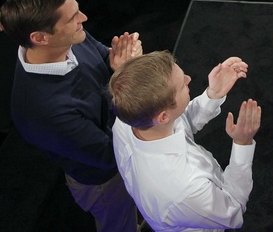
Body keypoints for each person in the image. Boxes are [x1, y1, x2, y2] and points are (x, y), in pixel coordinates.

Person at [0, 0, 140, 232]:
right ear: (40, 37)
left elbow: (102, 56)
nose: (84, 18)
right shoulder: (42, 112)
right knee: (120, 224)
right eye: (74, 17)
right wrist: (126, 76)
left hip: (120, 144)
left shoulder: (66, 40)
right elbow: (109, 155)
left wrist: (120, 65)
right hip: (105, 181)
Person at [109, 51, 261, 231]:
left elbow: (181, 121)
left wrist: (213, 94)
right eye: (182, 85)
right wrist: (242, 145)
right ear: (162, 116)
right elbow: (233, 210)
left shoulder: (129, 119)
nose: (189, 79)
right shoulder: (186, 190)